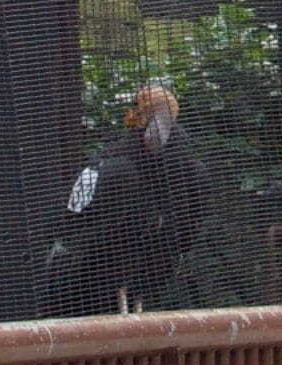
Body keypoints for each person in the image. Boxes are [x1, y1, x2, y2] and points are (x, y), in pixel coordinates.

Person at [36, 82, 209, 318]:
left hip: (148, 268)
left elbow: (181, 240)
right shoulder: (114, 166)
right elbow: (75, 240)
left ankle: (136, 311)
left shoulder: (190, 173)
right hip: (84, 280)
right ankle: (125, 313)